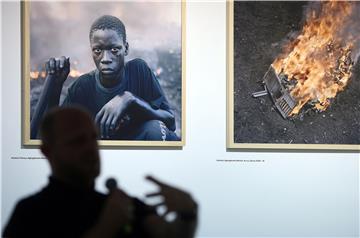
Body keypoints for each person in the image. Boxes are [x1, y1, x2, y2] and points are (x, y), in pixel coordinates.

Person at [4, 107, 197, 238]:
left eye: (93, 138)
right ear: (47, 151)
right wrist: (105, 228)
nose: (90, 148)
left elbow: (169, 234)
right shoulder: (30, 214)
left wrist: (188, 214)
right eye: (78, 141)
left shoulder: (121, 205)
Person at [30, 15, 179, 141]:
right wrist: (56, 86)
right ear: (91, 50)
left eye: (114, 49)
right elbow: (53, 136)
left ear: (126, 48)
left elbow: (170, 122)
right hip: (101, 158)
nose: (105, 58)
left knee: (155, 129)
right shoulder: (83, 87)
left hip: (138, 151)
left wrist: (130, 100)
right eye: (98, 50)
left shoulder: (138, 70)